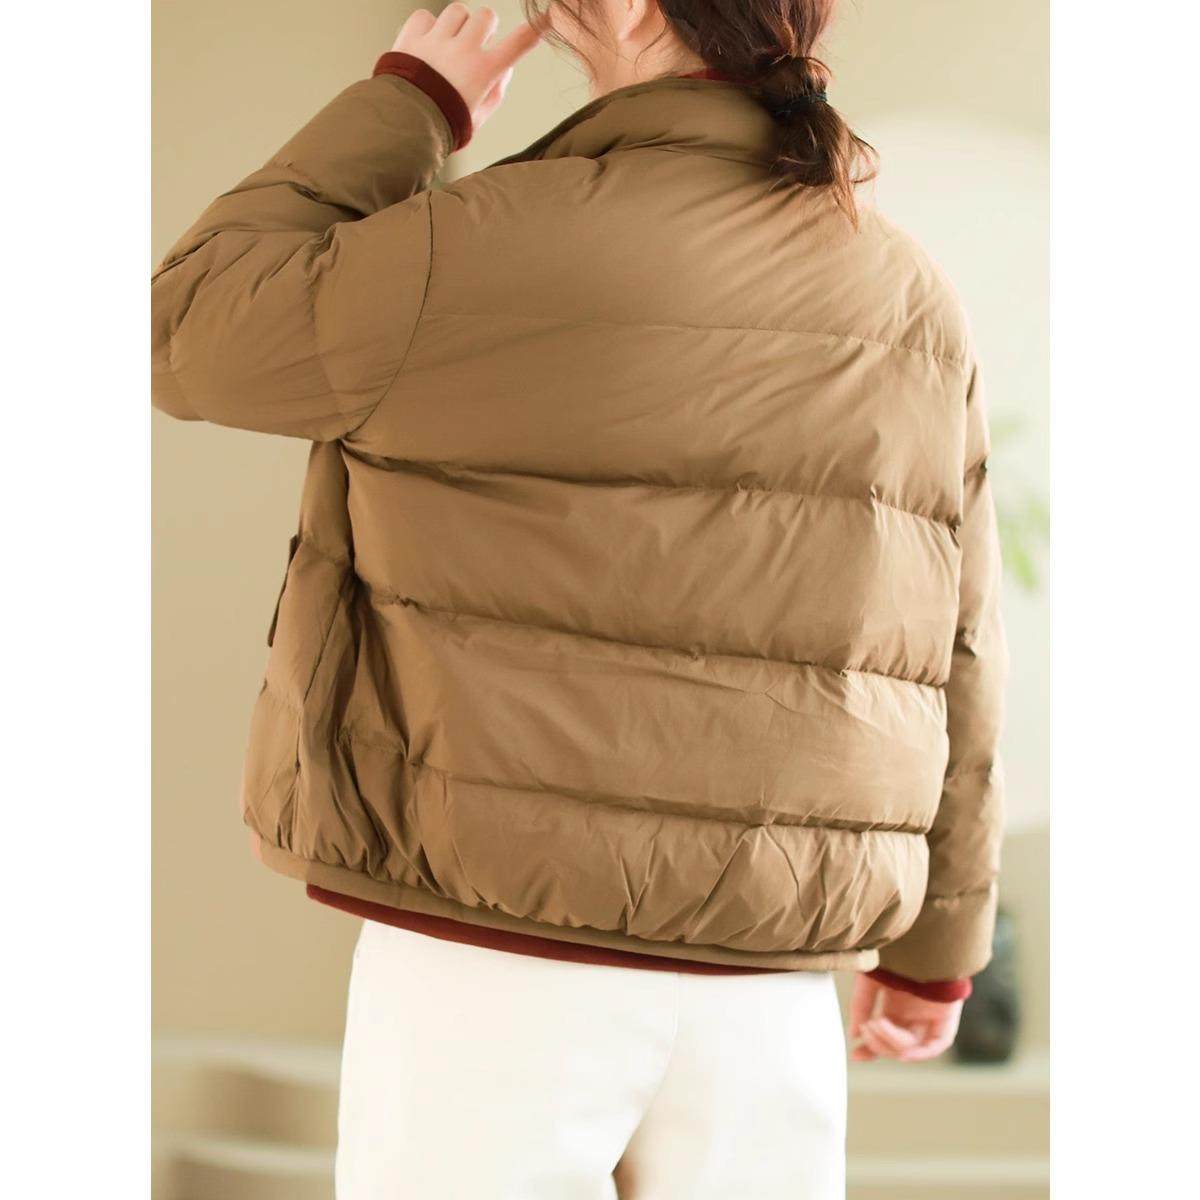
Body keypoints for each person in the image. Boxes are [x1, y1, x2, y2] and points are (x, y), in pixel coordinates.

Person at [151, 0, 1008, 1195]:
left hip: (493, 965)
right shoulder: (908, 295)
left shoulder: (477, 245)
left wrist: (412, 101)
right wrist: (935, 951)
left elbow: (187, 327)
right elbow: (959, 642)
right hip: (767, 993)